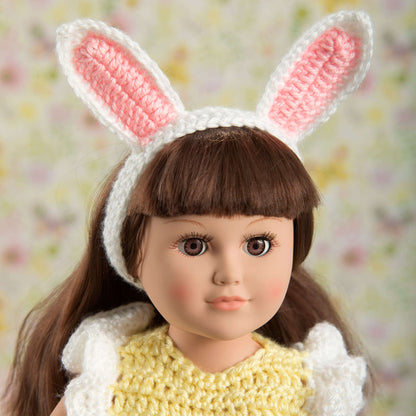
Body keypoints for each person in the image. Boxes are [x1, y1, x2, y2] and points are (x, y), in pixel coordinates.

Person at [3, 11, 374, 416]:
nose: (230, 273)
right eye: (194, 245)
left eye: (258, 244)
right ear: (133, 255)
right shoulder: (109, 381)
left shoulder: (311, 389)